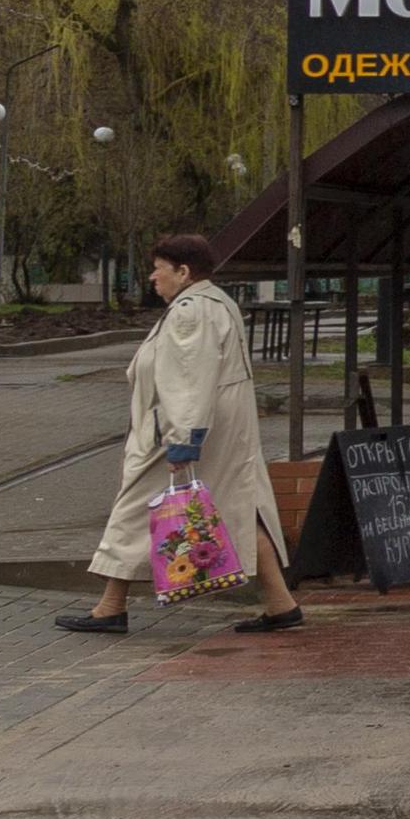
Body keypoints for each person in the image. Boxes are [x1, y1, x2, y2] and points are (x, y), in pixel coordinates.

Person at [62, 234, 303, 637]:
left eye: (159, 269)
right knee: (239, 507)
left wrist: (184, 440)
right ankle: (281, 603)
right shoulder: (217, 302)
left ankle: (110, 608)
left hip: (182, 432)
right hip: (221, 431)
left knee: (135, 507)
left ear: (183, 272)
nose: (152, 277)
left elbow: (189, 379)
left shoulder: (190, 312)